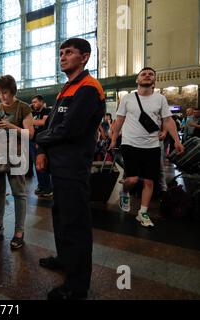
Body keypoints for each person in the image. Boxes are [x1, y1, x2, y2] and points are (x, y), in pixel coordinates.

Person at [35, 38, 105, 300]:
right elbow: (52, 125)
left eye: (69, 53)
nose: (62, 57)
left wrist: (38, 141)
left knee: (75, 224)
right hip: (59, 166)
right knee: (61, 217)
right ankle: (65, 260)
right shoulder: (67, 88)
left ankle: (77, 286)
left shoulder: (88, 88)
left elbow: (69, 129)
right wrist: (43, 151)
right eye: (61, 53)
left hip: (74, 167)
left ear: (84, 57)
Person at [110, 67, 184, 227]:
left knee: (150, 181)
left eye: (151, 74)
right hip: (130, 144)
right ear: (137, 80)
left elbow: (168, 121)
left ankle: (142, 212)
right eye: (143, 74)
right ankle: (125, 191)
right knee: (133, 178)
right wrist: (114, 139)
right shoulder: (128, 99)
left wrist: (177, 141)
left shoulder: (160, 99)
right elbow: (119, 121)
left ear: (154, 80)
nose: (147, 76)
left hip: (152, 145)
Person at [0, 75, 34, 250]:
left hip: (15, 155)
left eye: (4, 92)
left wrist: (10, 126)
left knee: (19, 194)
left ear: (12, 91)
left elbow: (30, 134)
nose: (1, 96)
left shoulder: (23, 107)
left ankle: (19, 232)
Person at [30, 95, 53, 197]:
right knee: (37, 165)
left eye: (35, 102)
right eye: (32, 102)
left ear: (41, 102)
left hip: (42, 141)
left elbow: (43, 122)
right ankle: (41, 186)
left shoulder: (47, 111)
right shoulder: (33, 113)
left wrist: (29, 122)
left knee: (42, 164)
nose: (33, 104)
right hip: (33, 141)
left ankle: (47, 188)